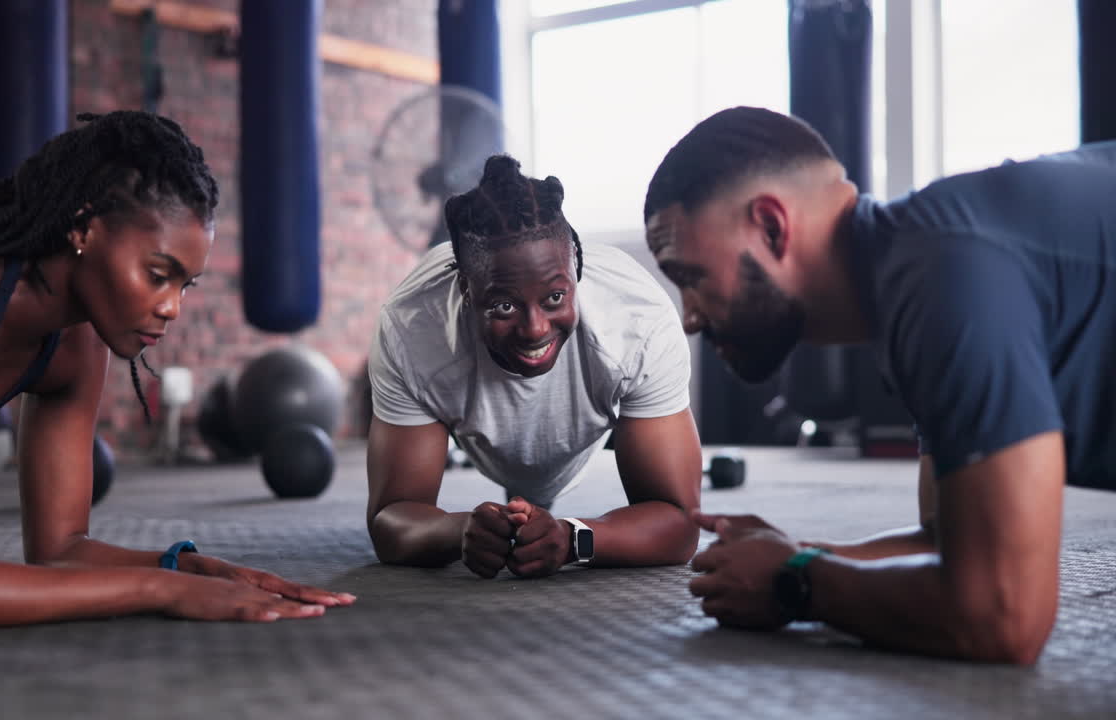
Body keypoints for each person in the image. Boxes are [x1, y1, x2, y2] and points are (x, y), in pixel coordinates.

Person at [0, 110, 354, 628]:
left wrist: (186, 567)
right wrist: (161, 590)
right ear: (83, 227)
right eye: (158, 274)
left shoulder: (78, 343)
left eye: (184, 285)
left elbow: (59, 551)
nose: (172, 307)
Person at [643, 106, 1116, 663]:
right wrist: (792, 554)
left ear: (772, 225)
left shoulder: (946, 272)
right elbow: (947, 540)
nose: (689, 317)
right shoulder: (917, 273)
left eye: (690, 278)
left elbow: (1004, 615)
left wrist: (796, 581)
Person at [366, 155, 701, 579]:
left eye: (555, 298)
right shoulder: (412, 329)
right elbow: (389, 518)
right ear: (466, 290)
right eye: (504, 305)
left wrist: (572, 537)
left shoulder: (637, 322)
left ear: (576, 270)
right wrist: (460, 530)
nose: (534, 329)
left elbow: (680, 523)